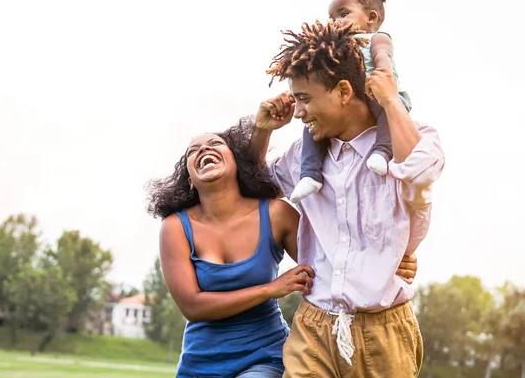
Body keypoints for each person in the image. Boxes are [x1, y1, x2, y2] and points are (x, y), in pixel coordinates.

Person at [145, 119, 419, 378]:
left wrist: (385, 262)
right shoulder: (175, 227)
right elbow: (192, 306)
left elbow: (332, 261)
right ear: (190, 179)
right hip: (199, 362)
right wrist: (271, 289)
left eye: (215, 144)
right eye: (194, 150)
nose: (204, 149)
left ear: (237, 162)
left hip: (264, 357)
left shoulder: (276, 214)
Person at [253, 19, 444, 377]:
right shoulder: (301, 157)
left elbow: (422, 172)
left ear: (343, 91)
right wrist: (262, 131)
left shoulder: (407, 143)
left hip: (384, 334)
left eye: (305, 99)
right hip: (312, 327)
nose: (298, 112)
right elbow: (253, 187)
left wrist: (389, 99)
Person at [290, 0, 412, 203]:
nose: (335, 22)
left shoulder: (376, 38)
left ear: (371, 18)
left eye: (343, 14)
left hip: (379, 92)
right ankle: (310, 174)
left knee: (390, 114)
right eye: (332, 17)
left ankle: (382, 152)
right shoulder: (335, 46)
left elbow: (382, 56)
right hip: (350, 97)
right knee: (311, 129)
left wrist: (383, 75)